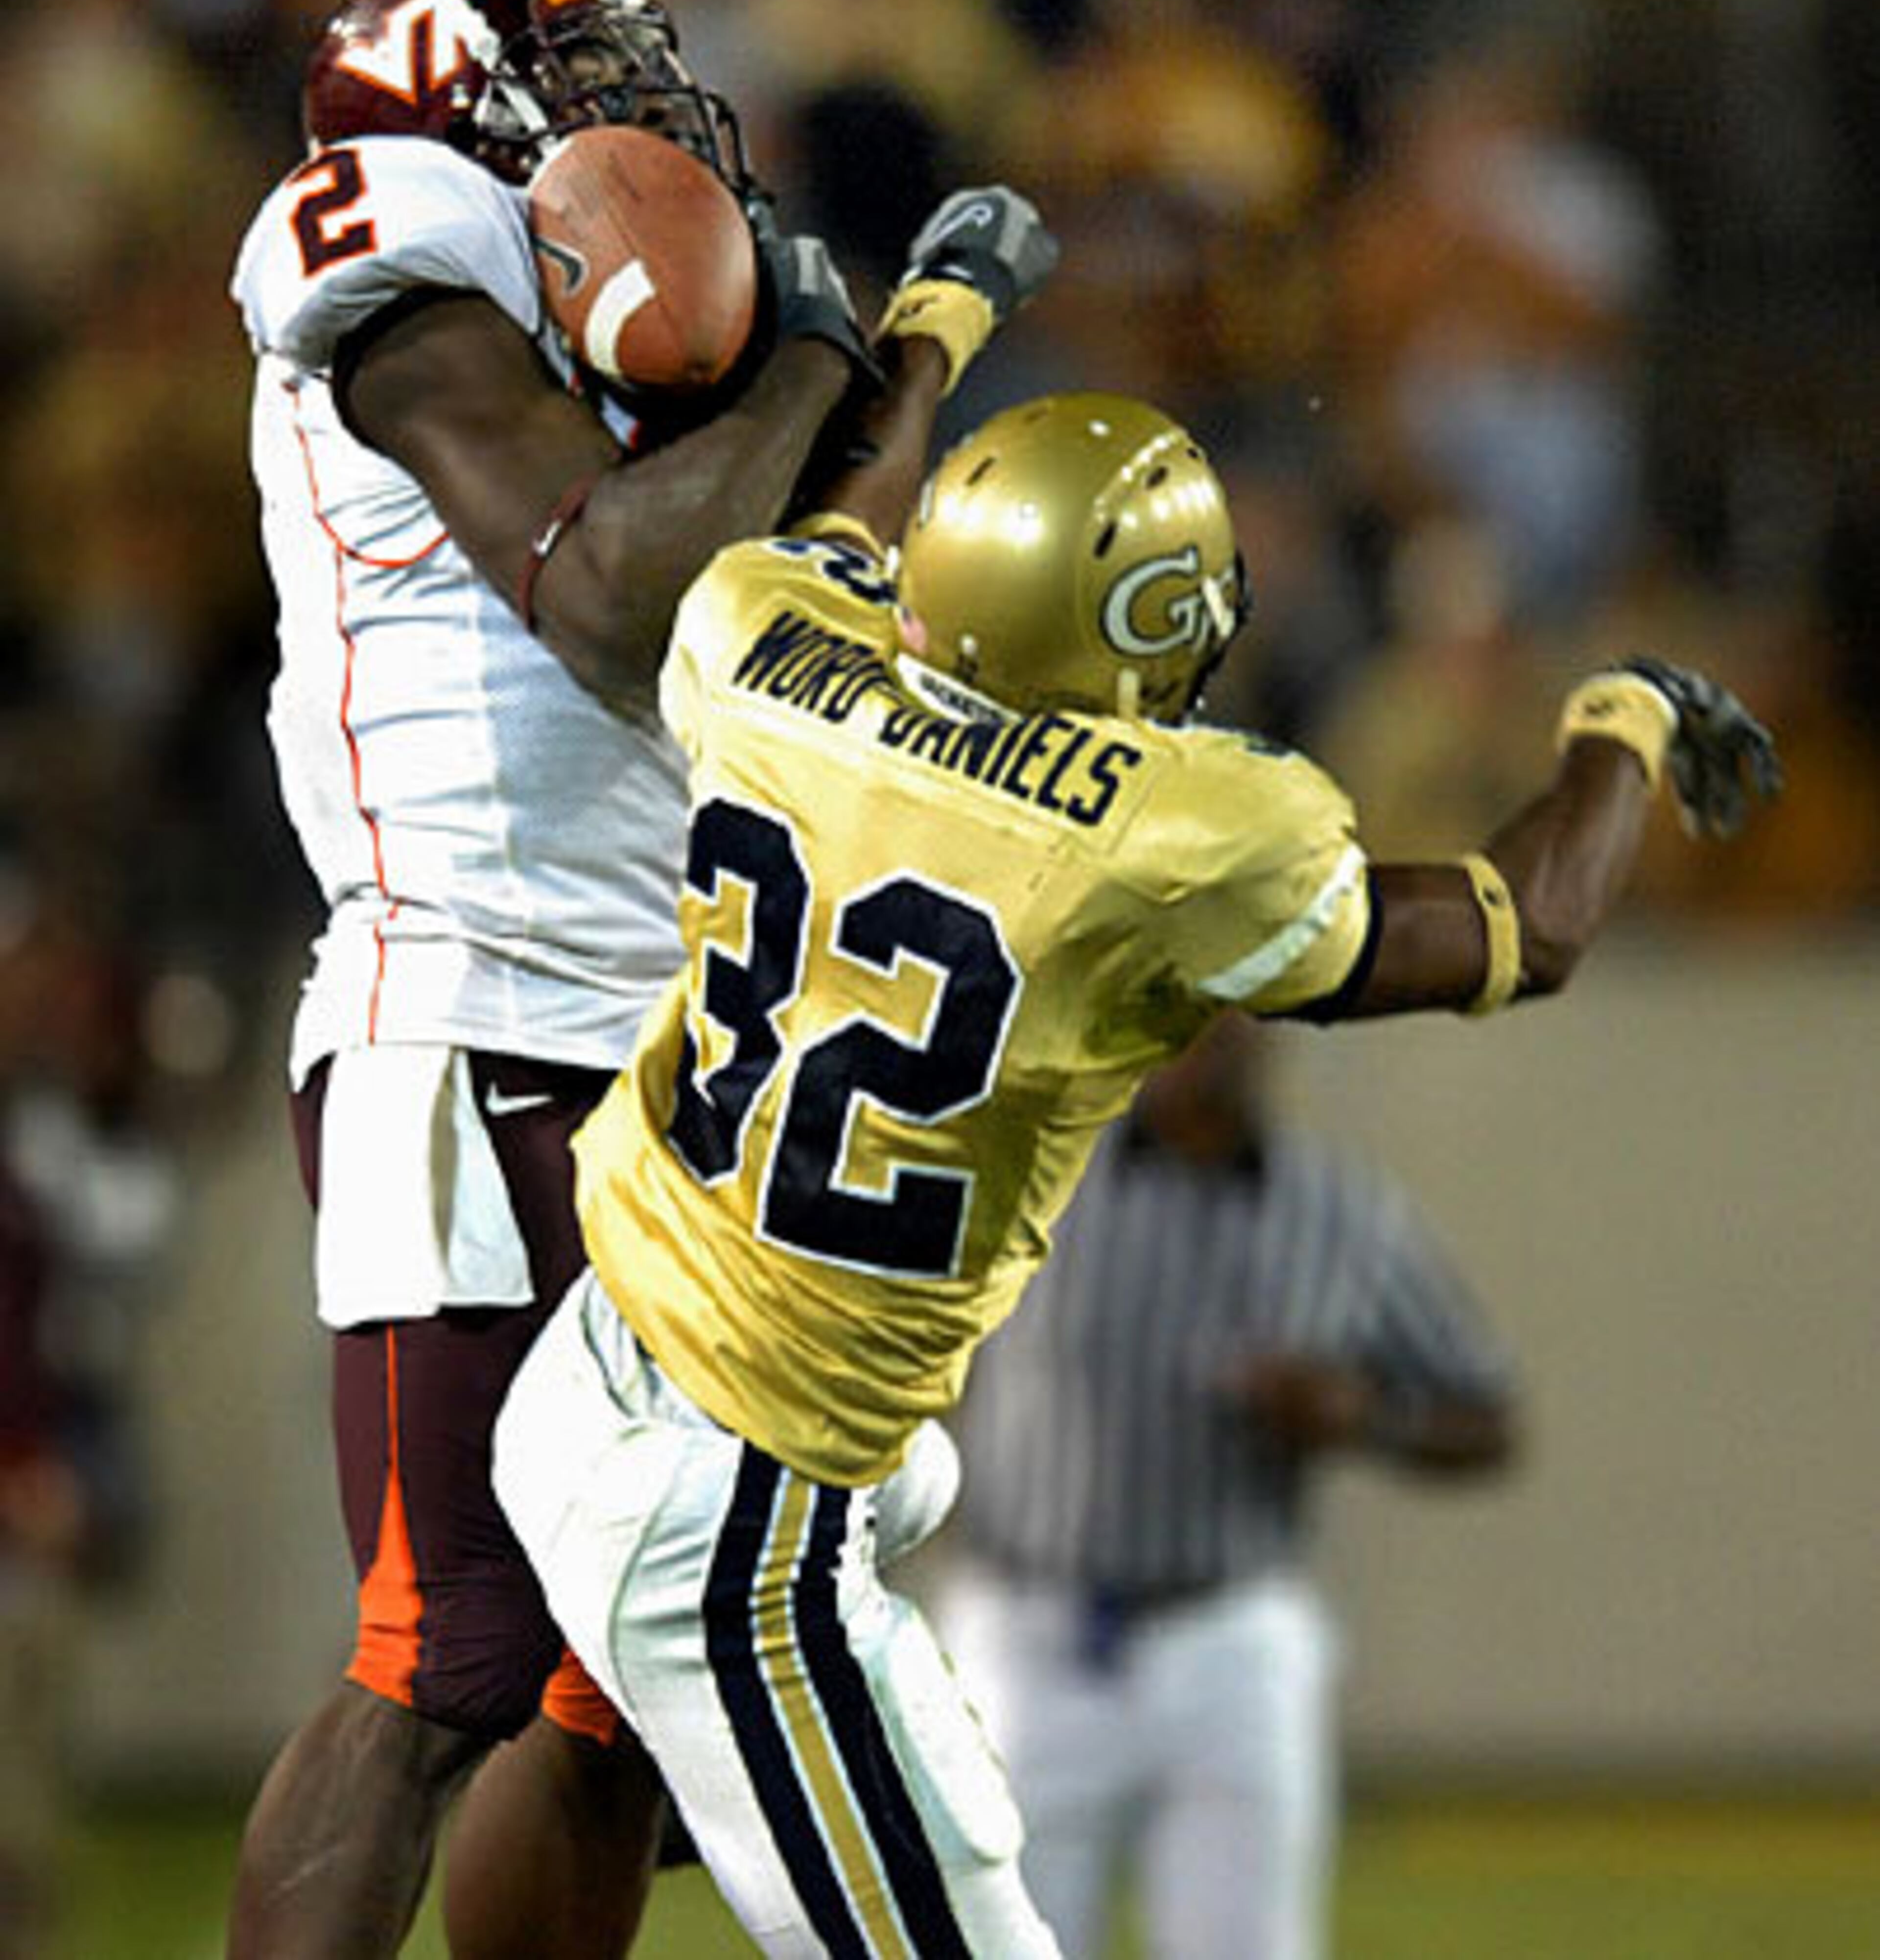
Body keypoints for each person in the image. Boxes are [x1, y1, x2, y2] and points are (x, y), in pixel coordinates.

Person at [490, 388, 1779, 1956]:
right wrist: (1620, 721)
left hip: (590, 1366)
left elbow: (835, 518)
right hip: (739, 1506)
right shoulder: (1167, 838)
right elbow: (1525, 927)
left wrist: (935, 327)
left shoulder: (756, 637)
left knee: (662, 1687)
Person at [225, 0, 1055, 1960]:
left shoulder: (636, 282)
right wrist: (820, 350)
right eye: (568, 67)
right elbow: (610, 605)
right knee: (444, 1662)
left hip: (675, 1052)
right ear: (453, 95)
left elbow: (800, 565)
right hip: (476, 1001)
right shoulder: (393, 240)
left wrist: (920, 343)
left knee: (618, 1685)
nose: (629, 104)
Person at [932, 1008, 1519, 1960]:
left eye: (1238, 1013)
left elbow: (1489, 1413)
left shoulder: (1339, 1214)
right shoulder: (1044, 1181)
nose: (1209, 1038)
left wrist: (1362, 1413)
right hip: (1027, 1631)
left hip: (1230, 1633)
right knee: (1000, 1941)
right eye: (1188, 1010)